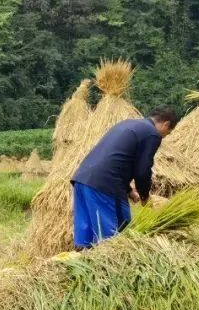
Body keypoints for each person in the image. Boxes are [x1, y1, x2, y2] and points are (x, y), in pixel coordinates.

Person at [71, 106, 179, 249]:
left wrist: (129, 191)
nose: (165, 136)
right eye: (168, 132)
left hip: (82, 180)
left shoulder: (128, 124)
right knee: (118, 236)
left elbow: (115, 160)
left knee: (85, 241)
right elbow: (142, 170)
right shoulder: (152, 134)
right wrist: (145, 196)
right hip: (105, 186)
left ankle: (80, 261)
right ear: (166, 124)